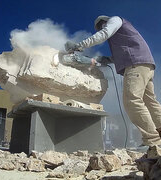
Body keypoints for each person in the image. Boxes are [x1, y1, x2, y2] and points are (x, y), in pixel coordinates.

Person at [65, 15, 161, 147]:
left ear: (103, 21)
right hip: (145, 65)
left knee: (132, 101)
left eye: (100, 26)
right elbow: (122, 53)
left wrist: (79, 46)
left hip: (135, 64)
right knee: (151, 102)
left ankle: (153, 141)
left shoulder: (115, 20)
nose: (101, 28)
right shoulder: (121, 38)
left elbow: (104, 34)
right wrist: (105, 59)